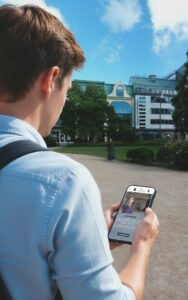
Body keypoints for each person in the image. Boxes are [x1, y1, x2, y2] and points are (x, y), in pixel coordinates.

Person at [0, 4, 160, 300]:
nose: (66, 100)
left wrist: (90, 237)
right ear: (50, 80)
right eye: (68, 89)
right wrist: (142, 247)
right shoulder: (63, 181)